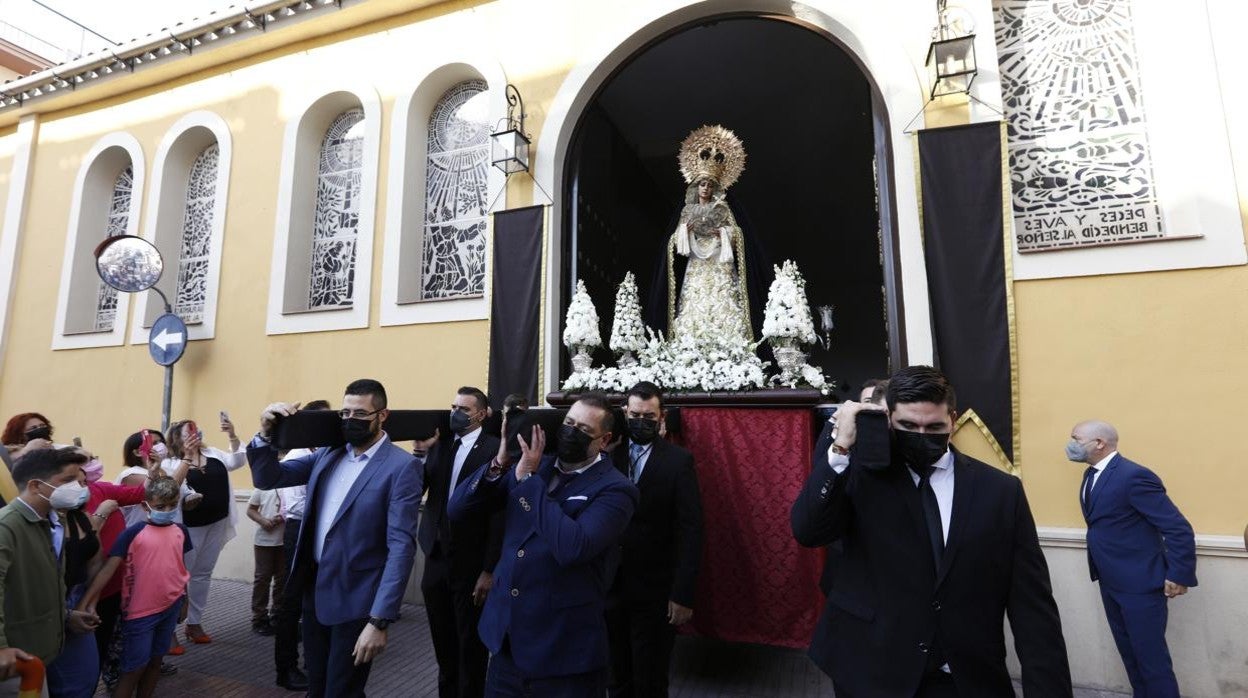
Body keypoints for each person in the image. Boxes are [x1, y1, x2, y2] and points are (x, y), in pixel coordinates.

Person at [791, 366, 1071, 697]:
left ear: (953, 420)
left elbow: (1033, 608)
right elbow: (808, 530)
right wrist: (840, 447)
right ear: (888, 418)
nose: (921, 434)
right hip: (870, 671)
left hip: (965, 677)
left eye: (934, 427)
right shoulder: (859, 476)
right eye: (908, 426)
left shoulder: (1001, 492)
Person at [448, 393, 639, 696]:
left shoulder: (616, 489)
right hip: (507, 646)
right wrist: (499, 463)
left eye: (583, 430)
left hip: (563, 655)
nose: (571, 433)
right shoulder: (537, 465)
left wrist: (528, 481)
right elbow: (458, 509)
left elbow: (573, 547)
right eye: (569, 423)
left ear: (604, 440)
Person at [249, 380, 421, 697]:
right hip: (315, 592)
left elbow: (401, 547)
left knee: (342, 690)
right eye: (345, 413)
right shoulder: (328, 454)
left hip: (358, 601)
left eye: (360, 414)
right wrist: (265, 434)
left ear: (382, 415)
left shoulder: (402, 467)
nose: (350, 420)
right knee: (317, 687)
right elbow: (268, 477)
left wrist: (379, 620)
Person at [1067, 420, 1196, 698]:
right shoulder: (1091, 475)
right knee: (1131, 658)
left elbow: (1177, 527)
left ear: (1099, 443)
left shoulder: (1134, 476)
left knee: (1152, 662)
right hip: (1110, 581)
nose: (1071, 445)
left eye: (1076, 439)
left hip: (1140, 585)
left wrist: (1179, 573)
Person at [606, 382, 703, 698]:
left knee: (650, 679)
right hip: (610, 586)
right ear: (625, 412)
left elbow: (691, 529)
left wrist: (683, 593)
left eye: (649, 416)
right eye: (635, 415)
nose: (641, 422)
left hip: (656, 591)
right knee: (616, 675)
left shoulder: (678, 460)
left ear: (662, 417)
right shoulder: (608, 453)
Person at [412, 387, 502, 698]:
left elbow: (499, 513)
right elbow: (416, 488)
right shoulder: (439, 445)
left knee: (470, 644)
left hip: (471, 561)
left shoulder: (494, 449)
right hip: (436, 555)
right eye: (453, 407)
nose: (456, 413)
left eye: (464, 409)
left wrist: (489, 568)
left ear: (481, 414)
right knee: (442, 640)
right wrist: (420, 453)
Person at [77, 476, 192, 698]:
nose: (167, 511)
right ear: (145, 506)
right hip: (140, 613)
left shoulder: (180, 531)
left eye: (172, 506)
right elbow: (108, 570)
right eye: (160, 506)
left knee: (155, 662)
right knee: (133, 668)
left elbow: (181, 567)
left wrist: (185, 599)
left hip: (170, 607)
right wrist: (86, 602)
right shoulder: (133, 533)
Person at [0, 448, 90, 696]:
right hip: (14, 663)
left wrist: (65, 614)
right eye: (67, 480)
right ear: (35, 486)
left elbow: (39, 581)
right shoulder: (6, 526)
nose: (77, 487)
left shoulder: (52, 520)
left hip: (39, 654)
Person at [667, 125, 751, 342]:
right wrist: (684, 232)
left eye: (709, 185)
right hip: (696, 261)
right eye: (702, 184)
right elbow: (674, 243)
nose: (705, 188)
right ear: (696, 187)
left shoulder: (723, 209)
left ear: (715, 189)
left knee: (723, 300)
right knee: (696, 300)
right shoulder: (687, 211)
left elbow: (738, 236)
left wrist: (722, 233)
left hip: (719, 260)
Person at [165, 416, 244, 645]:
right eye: (188, 432)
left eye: (196, 430)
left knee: (203, 573)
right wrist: (187, 458)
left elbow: (238, 460)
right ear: (177, 438)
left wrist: (232, 435)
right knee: (180, 577)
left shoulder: (214, 454)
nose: (195, 435)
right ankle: (169, 629)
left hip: (217, 522)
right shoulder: (170, 463)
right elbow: (170, 487)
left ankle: (194, 623)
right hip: (189, 527)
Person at [271, 399, 331, 692]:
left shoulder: (321, 452)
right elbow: (295, 505)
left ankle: (313, 658)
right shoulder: (298, 454)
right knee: (292, 601)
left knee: (314, 598)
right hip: (299, 530)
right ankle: (286, 668)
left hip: (317, 530)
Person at [247, 489, 286, 636]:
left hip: (284, 539)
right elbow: (251, 510)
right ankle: (259, 617)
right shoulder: (262, 487)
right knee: (262, 578)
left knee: (282, 578)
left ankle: (278, 613)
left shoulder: (290, 486)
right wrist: (262, 521)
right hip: (264, 540)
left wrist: (282, 517)